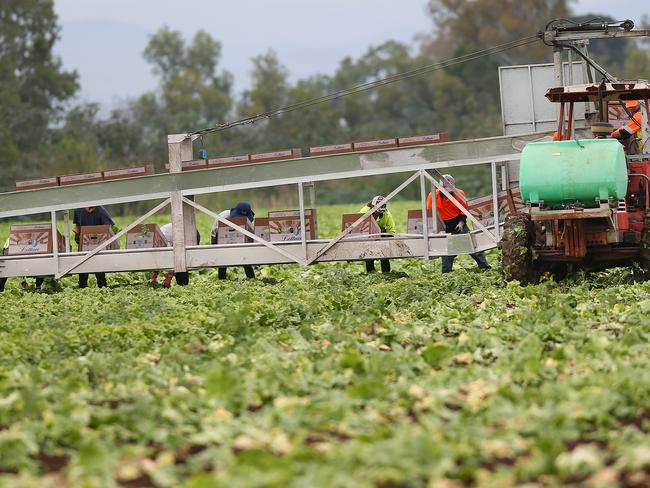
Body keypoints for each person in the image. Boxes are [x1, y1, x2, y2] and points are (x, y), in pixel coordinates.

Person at [427, 174, 491, 273]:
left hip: (458, 223)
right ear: (439, 187)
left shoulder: (459, 193)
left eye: (449, 186)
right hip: (442, 225)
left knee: (473, 246)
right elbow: (430, 213)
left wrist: (461, 223)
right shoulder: (432, 195)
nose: (447, 189)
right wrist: (439, 229)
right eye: (444, 187)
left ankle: (485, 268)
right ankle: (446, 274)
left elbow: (464, 209)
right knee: (446, 253)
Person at [210, 202, 256, 280]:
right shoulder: (224, 215)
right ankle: (222, 279)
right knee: (223, 259)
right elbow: (214, 232)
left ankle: (251, 278)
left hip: (241, 238)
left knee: (245, 258)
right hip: (222, 238)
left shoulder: (250, 220)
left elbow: (252, 233)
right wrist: (215, 244)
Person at [73, 206, 114, 288]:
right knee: (82, 269)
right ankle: (82, 288)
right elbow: (77, 226)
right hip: (84, 243)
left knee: (99, 270)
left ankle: (102, 287)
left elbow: (108, 228)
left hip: (98, 244)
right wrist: (77, 236)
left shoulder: (101, 211)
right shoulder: (78, 210)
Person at [149, 223, 200, 287]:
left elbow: (176, 258)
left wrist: (169, 277)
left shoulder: (164, 244)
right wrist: (153, 277)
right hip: (177, 233)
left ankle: (183, 284)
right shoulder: (154, 248)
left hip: (190, 233)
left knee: (183, 263)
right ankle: (182, 283)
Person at [359, 195, 396, 273]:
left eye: (380, 211)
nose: (378, 213)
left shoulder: (387, 214)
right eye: (377, 211)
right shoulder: (363, 213)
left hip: (382, 233)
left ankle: (386, 273)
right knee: (369, 252)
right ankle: (371, 272)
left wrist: (387, 242)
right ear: (372, 206)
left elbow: (391, 230)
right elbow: (356, 228)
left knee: (384, 252)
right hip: (366, 234)